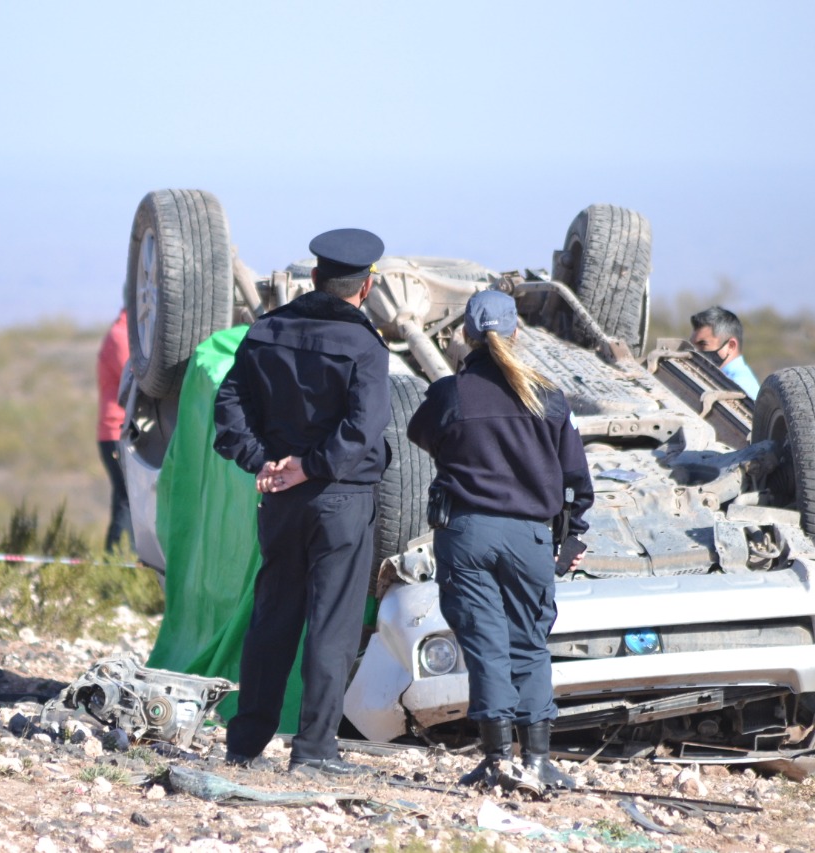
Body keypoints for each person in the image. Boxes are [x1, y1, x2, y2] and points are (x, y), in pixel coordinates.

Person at [213, 228, 391, 777]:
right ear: (364, 289)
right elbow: (363, 427)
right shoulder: (364, 345)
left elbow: (229, 405)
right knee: (332, 626)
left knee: (273, 619)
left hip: (279, 499)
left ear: (313, 278)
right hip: (340, 498)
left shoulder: (264, 331)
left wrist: (264, 461)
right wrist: (311, 467)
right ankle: (314, 751)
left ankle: (244, 746)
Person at [407, 289, 593, 794]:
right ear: (516, 332)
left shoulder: (450, 394)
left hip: (466, 535)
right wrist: (573, 537)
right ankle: (537, 761)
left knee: (486, 648)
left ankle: (495, 762)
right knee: (529, 646)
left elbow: (419, 434)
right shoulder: (548, 396)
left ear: (465, 334)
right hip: (529, 538)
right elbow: (577, 476)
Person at [96, 308, 135, 553]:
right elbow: (133, 379)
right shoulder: (122, 335)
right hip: (116, 430)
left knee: (127, 498)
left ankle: (119, 560)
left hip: (120, 429)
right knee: (126, 499)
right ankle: (118, 563)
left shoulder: (128, 332)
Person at [689, 305, 760, 399]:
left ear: (731, 346)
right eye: (693, 346)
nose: (695, 352)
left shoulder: (739, 387)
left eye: (703, 345)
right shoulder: (721, 379)